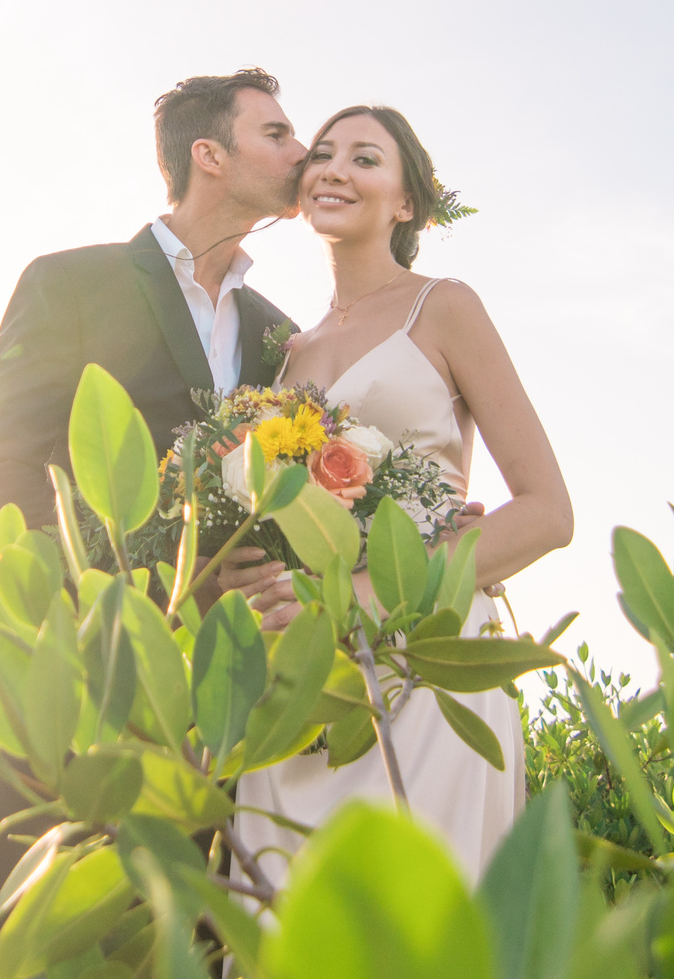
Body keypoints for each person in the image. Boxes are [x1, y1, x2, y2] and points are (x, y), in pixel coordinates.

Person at [0, 68, 304, 945]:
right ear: (209, 156)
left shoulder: (281, 333)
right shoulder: (71, 283)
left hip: (220, 718)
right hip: (85, 679)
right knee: (35, 942)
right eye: (279, 134)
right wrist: (153, 588)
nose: (304, 155)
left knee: (185, 945)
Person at [218, 104, 574, 885]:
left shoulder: (444, 307)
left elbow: (549, 514)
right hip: (309, 680)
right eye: (324, 154)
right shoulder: (286, 351)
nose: (335, 169)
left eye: (366, 158)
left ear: (407, 202)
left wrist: (368, 592)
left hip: (427, 659)